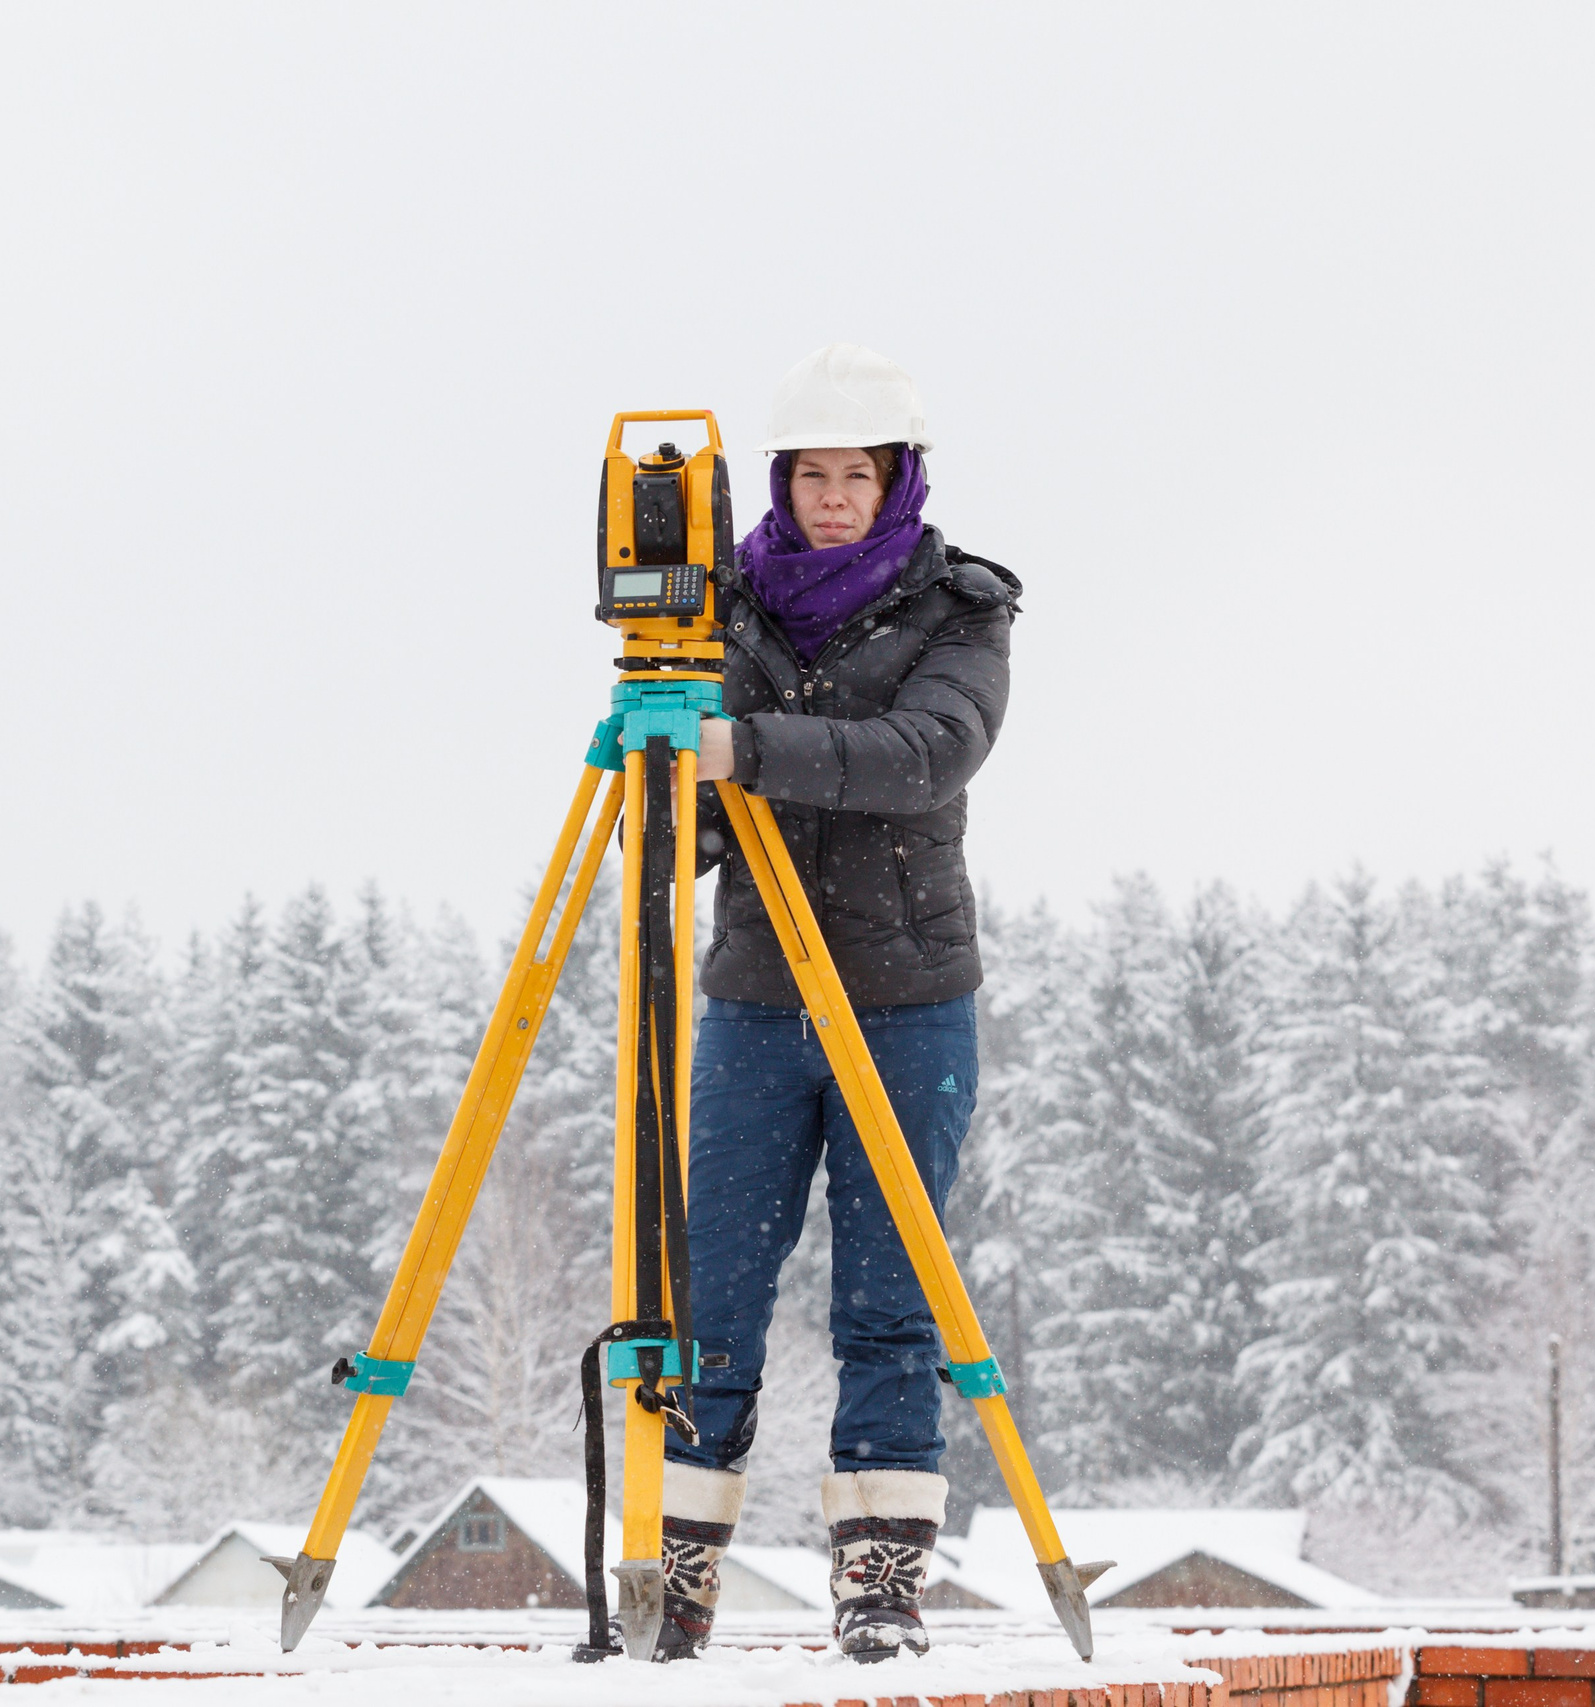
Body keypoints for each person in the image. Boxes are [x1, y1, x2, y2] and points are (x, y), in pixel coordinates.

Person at [654, 343, 1021, 1662]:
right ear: (781, 479)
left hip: (905, 1001)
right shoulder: (720, 607)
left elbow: (928, 756)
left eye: (854, 476)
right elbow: (691, 827)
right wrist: (669, 783)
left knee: (889, 1293)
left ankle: (879, 1585)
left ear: (896, 481)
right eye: (810, 474)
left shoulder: (962, 612)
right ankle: (673, 1578)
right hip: (755, 1001)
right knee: (715, 1292)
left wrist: (743, 750)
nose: (829, 498)